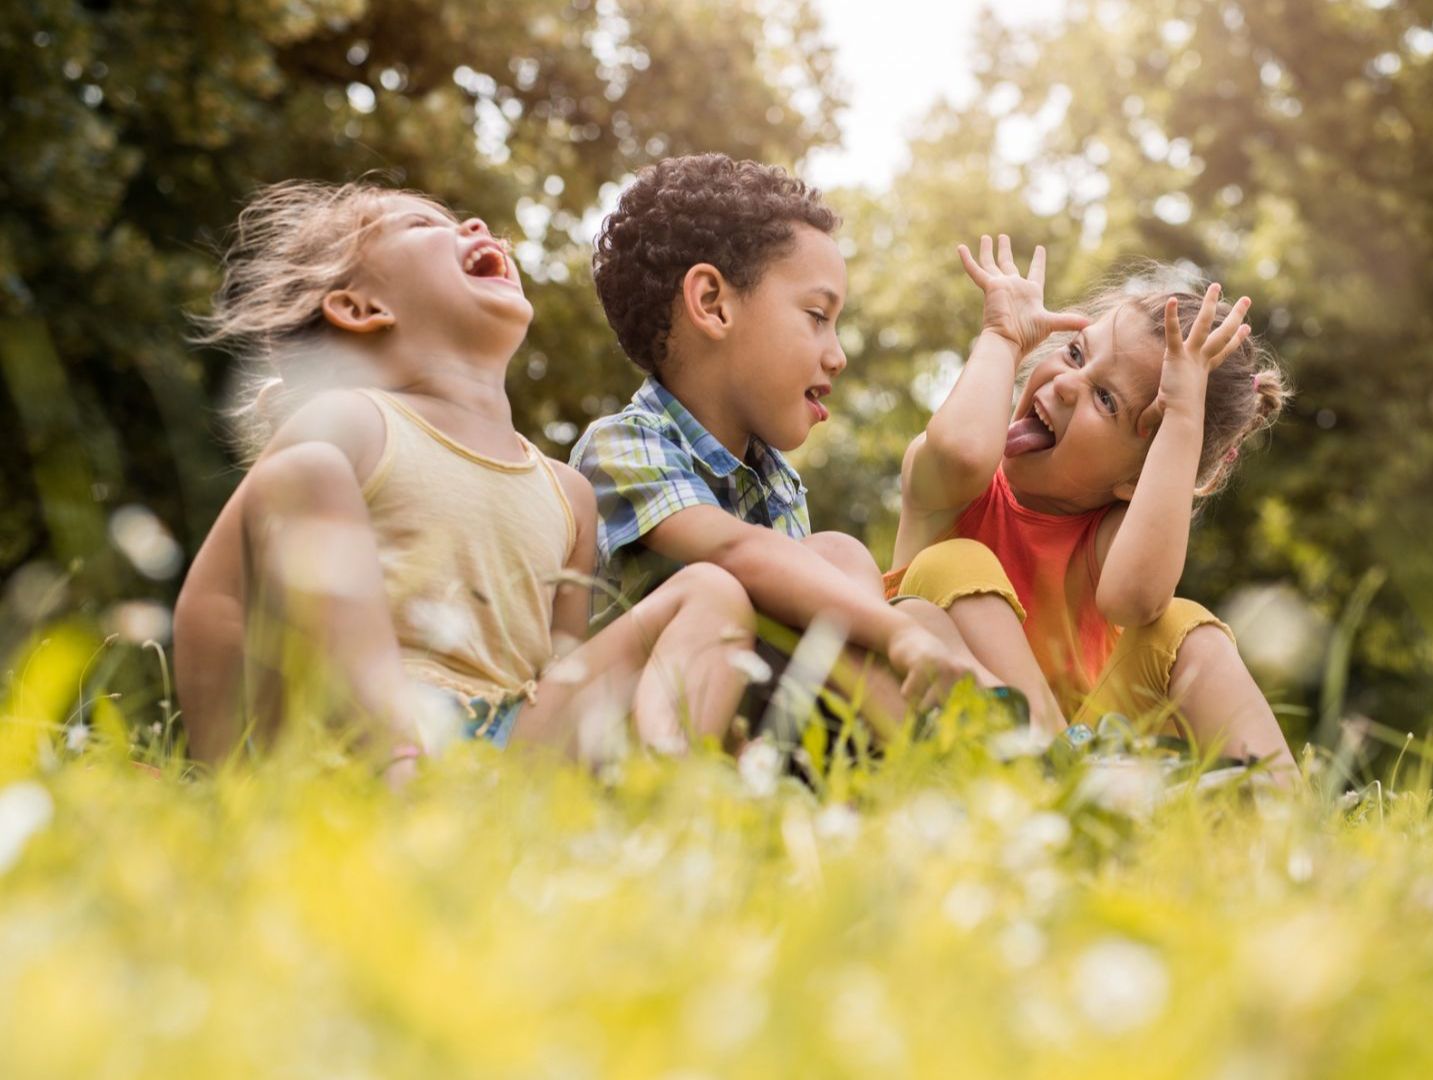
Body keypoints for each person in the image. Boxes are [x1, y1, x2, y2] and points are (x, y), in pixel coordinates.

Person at [173, 180, 757, 776]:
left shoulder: (568, 494)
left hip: (502, 756)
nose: (476, 225)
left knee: (715, 592)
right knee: (305, 469)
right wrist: (224, 766)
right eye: (424, 226)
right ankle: (395, 768)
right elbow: (217, 600)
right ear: (360, 307)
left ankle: (669, 795)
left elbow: (563, 671)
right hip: (345, 743)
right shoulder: (352, 422)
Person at [571, 154, 1007, 736]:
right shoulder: (623, 446)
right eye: (817, 316)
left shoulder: (774, 479)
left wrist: (906, 628)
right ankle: (977, 750)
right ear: (712, 303)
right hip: (638, 725)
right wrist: (896, 636)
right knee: (842, 565)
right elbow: (735, 553)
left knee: (868, 573)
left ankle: (996, 737)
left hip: (763, 718)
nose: (838, 354)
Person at [887, 236, 1298, 773]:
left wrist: (1180, 419)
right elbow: (962, 452)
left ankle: (1274, 808)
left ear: (1138, 476)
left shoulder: (1108, 540)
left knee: (1182, 626)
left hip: (1094, 763)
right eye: (1076, 353)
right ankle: (1058, 773)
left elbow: (1137, 601)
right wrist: (1002, 335)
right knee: (953, 561)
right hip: (938, 725)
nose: (1066, 384)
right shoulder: (954, 492)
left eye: (1106, 400)